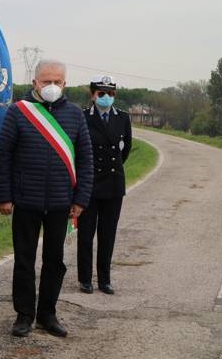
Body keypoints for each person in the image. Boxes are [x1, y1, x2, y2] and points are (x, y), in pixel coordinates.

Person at [0, 59, 93, 338]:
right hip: (26, 201)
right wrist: (4, 196)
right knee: (24, 260)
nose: (52, 86)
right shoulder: (18, 112)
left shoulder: (75, 115)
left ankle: (47, 314)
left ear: (65, 83)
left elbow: (85, 160)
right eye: (46, 81)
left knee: (55, 260)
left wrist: (81, 199)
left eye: (57, 82)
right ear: (35, 82)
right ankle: (24, 314)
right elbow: (3, 157)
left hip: (61, 202)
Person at [77, 76, 132, 295]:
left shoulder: (122, 118)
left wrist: (114, 169)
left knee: (108, 234)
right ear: (93, 95)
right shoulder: (83, 117)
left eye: (110, 94)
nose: (106, 97)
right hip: (89, 184)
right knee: (86, 234)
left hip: (113, 184)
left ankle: (104, 279)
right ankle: (85, 279)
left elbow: (125, 149)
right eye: (101, 94)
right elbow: (78, 150)